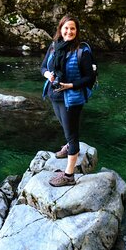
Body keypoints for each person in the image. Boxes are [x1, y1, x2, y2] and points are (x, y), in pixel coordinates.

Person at [40, 15, 94, 187]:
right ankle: (68, 146)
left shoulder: (82, 51)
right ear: (60, 29)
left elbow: (90, 78)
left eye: (72, 28)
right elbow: (42, 67)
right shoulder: (54, 46)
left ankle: (69, 175)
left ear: (76, 31)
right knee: (65, 125)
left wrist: (70, 85)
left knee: (72, 134)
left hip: (72, 98)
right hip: (54, 94)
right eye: (66, 28)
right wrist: (48, 74)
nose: (69, 31)